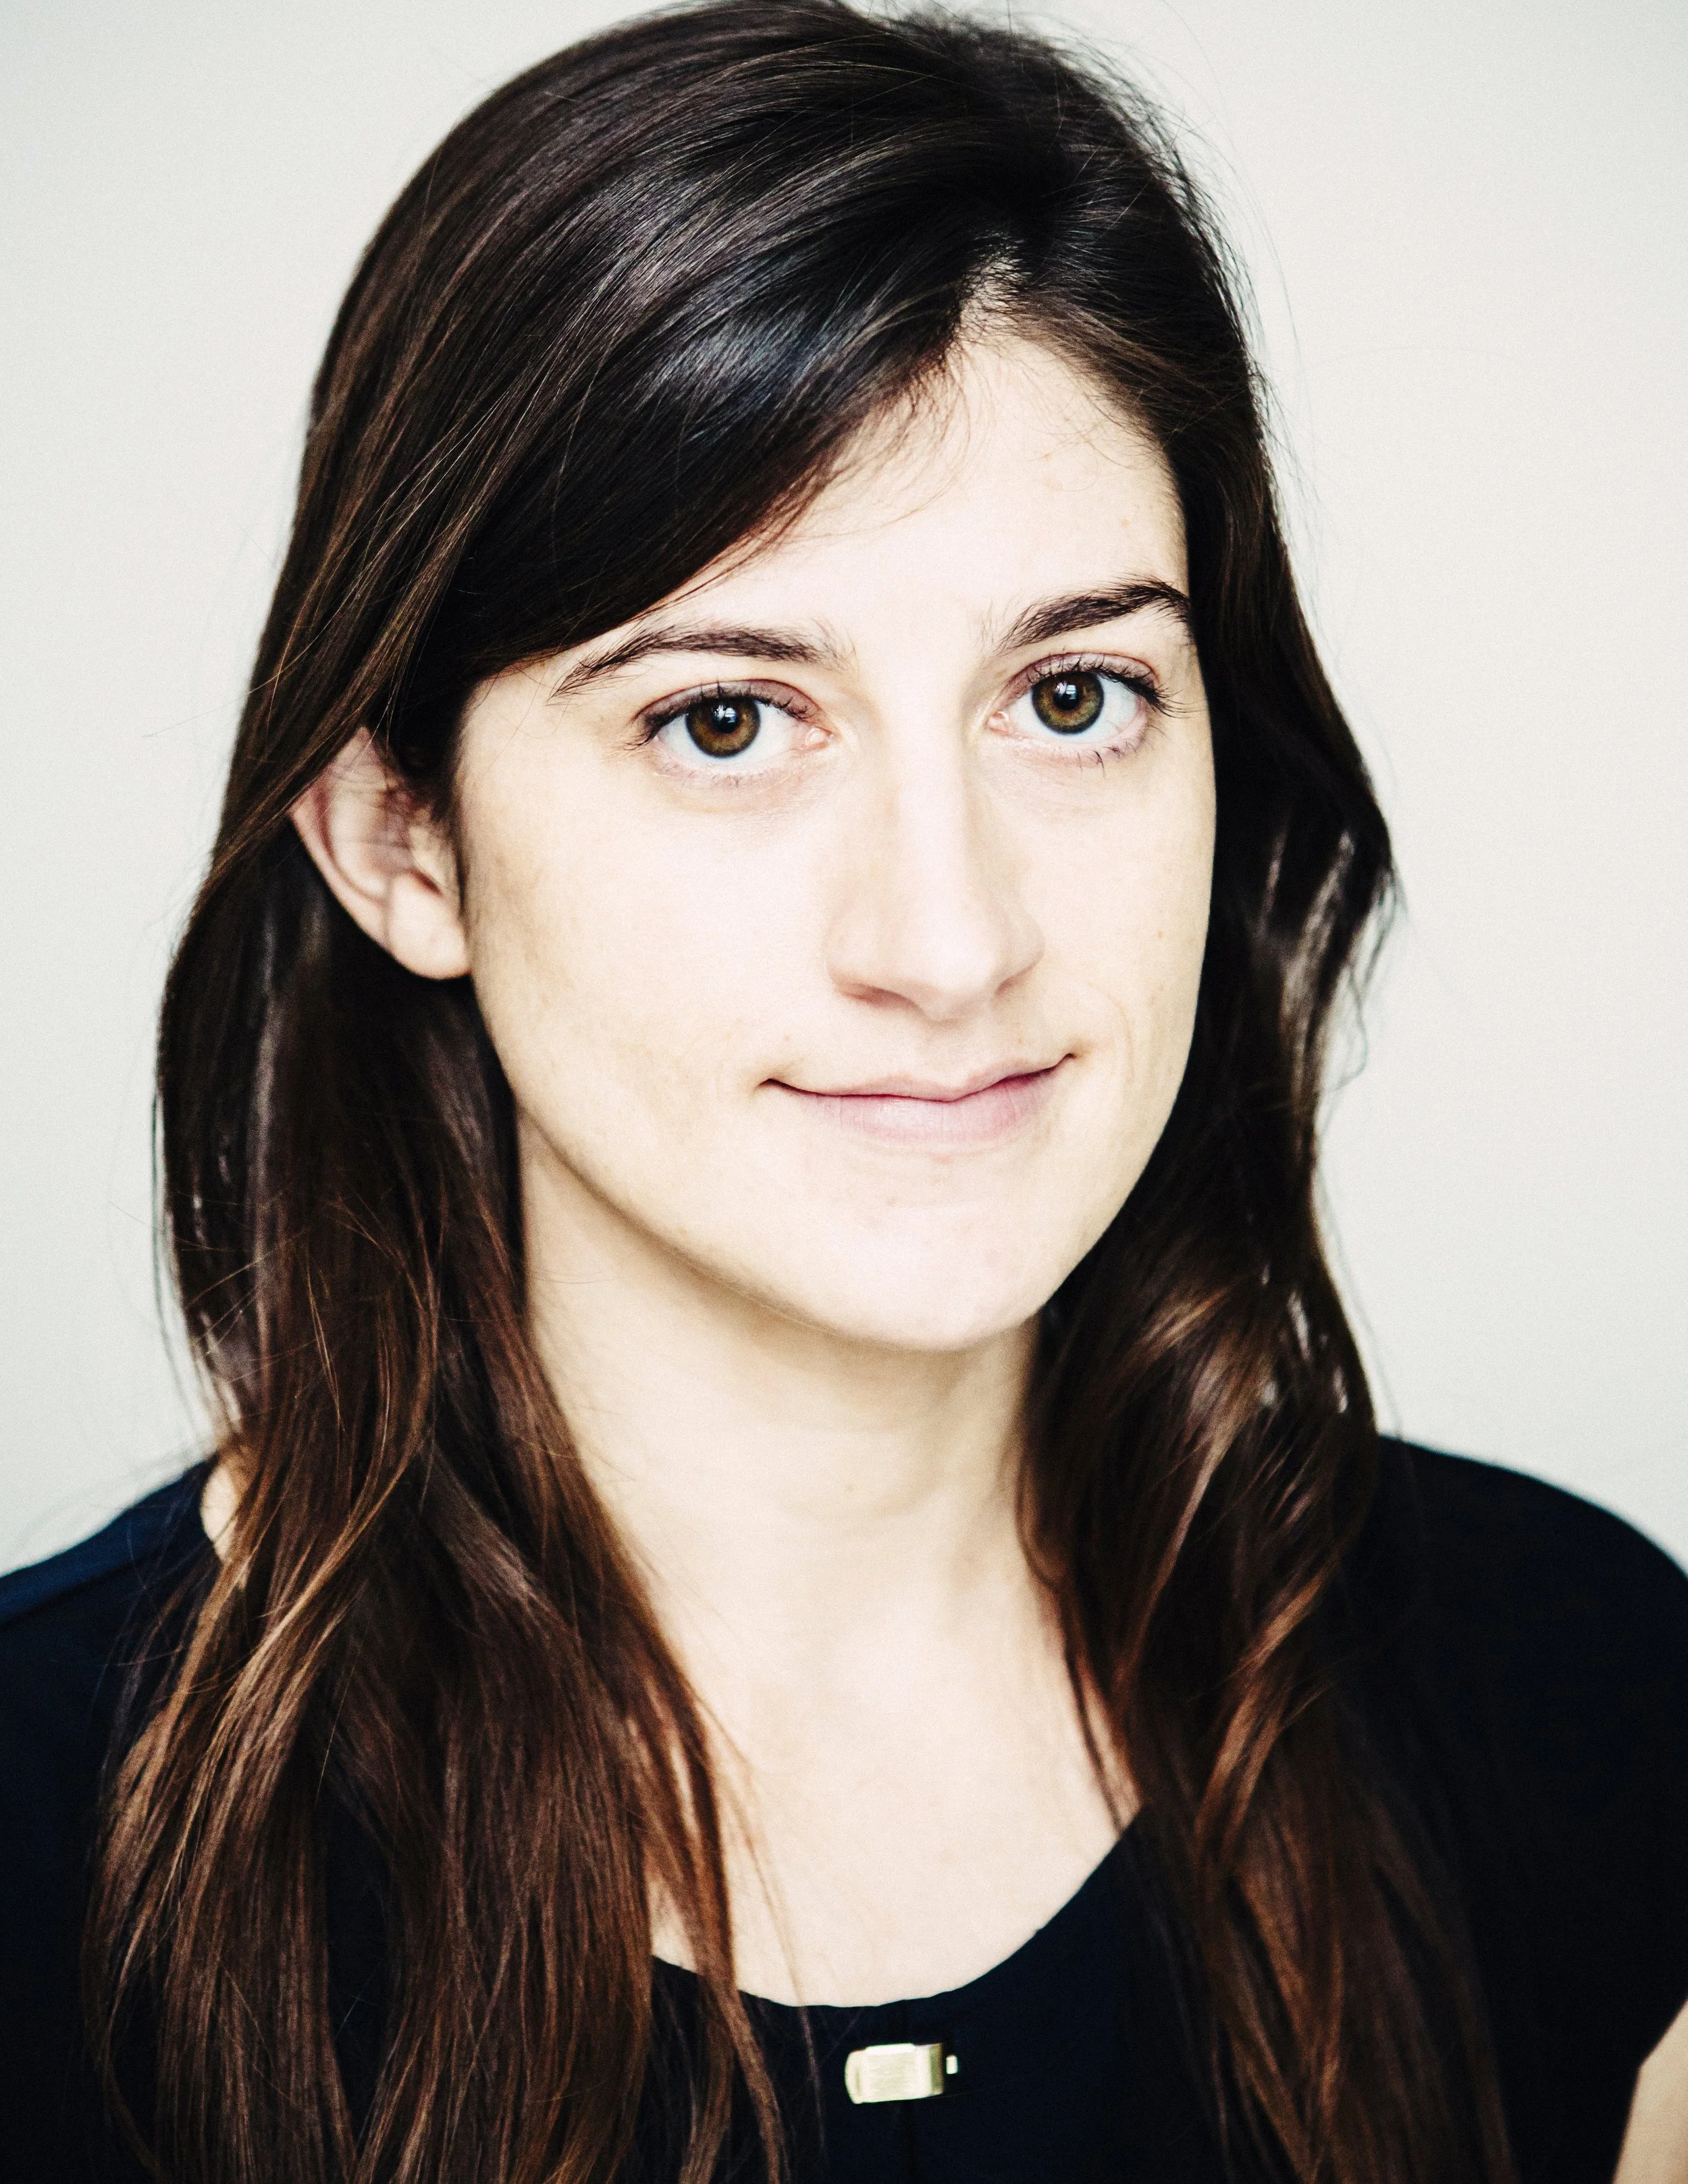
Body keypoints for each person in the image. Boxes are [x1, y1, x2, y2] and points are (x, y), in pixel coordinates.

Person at [3, 3, 1685, 2179]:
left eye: (1072, 697)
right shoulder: (49, 1851)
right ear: (399, 838)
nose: (948, 935)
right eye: (725, 722)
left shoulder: (1574, 1689)